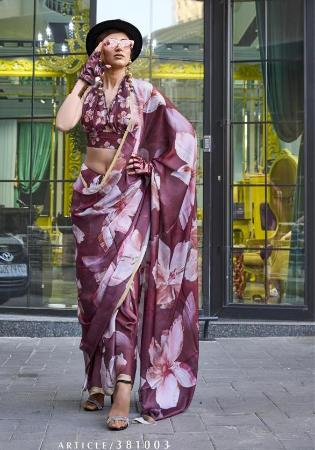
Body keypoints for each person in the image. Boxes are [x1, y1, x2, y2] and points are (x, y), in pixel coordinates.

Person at [56, 19, 199, 431]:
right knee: (93, 297)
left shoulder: (144, 94)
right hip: (89, 199)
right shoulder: (88, 91)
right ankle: (94, 381)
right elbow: (64, 123)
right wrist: (81, 83)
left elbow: (184, 139)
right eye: (110, 40)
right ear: (96, 51)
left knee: (126, 293)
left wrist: (151, 166)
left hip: (130, 199)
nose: (120, 45)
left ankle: (122, 386)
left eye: (126, 41)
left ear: (132, 51)